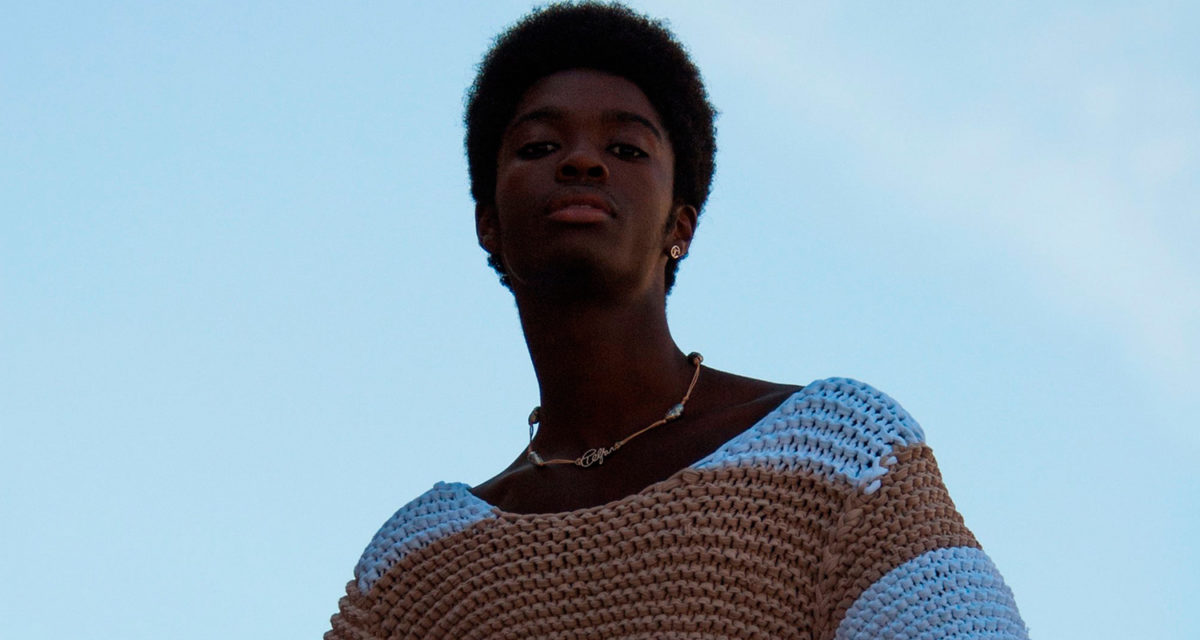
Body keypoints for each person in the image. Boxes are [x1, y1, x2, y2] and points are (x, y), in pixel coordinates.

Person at [326, 3, 1027, 638]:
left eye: (626, 149)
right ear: (489, 225)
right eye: (538, 146)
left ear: (679, 226)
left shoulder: (837, 454)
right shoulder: (409, 576)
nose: (581, 161)